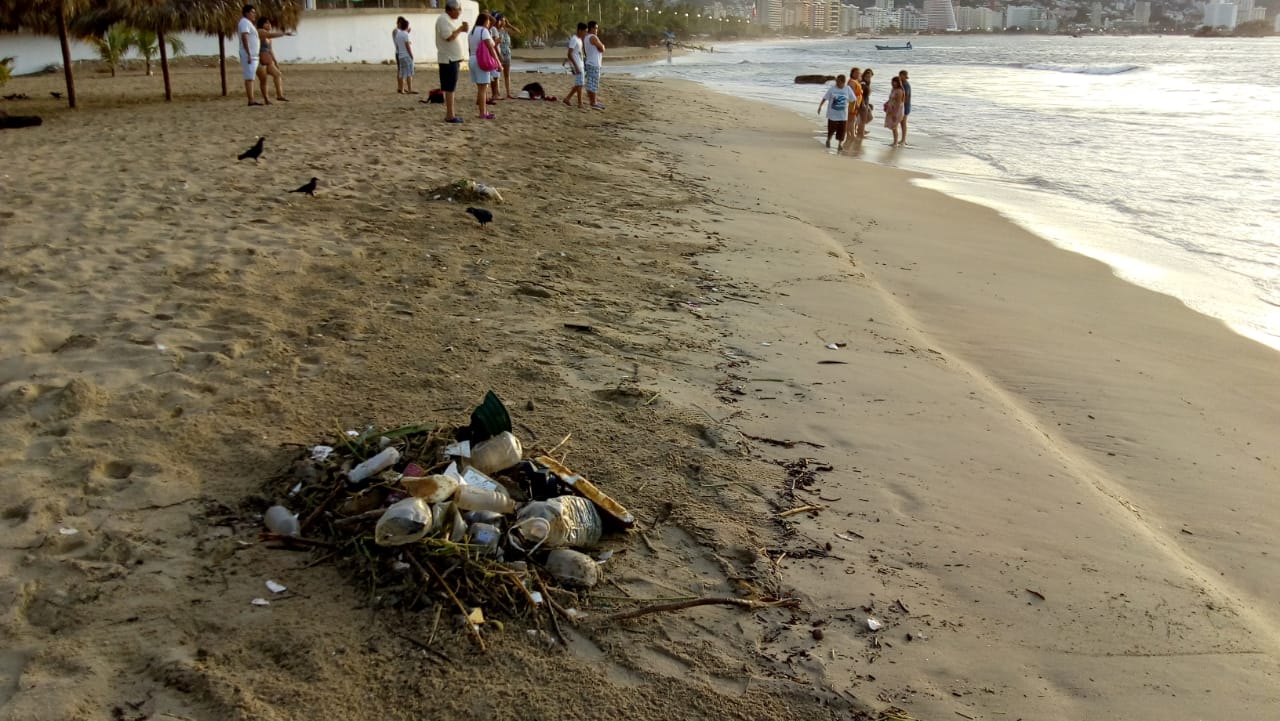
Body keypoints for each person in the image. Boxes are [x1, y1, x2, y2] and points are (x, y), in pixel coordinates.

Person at [435, 0, 469, 123]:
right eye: (458, 9)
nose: (460, 12)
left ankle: (451, 114)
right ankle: (450, 115)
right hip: (448, 59)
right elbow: (448, 37)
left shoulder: (447, 20)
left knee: (450, 87)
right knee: (450, 88)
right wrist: (460, 29)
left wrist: (460, 29)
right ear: (452, 9)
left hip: (451, 59)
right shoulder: (443, 20)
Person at [468, 13, 499, 119]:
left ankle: (484, 111)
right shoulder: (483, 31)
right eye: (488, 21)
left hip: (472, 58)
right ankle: (483, 112)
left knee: (480, 87)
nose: (489, 23)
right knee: (483, 88)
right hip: (480, 60)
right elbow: (490, 48)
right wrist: (498, 62)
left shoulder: (472, 32)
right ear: (485, 21)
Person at [255, 18, 292, 103]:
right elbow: (271, 35)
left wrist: (275, 61)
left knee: (277, 74)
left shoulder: (268, 38)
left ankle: (279, 95)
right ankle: (266, 99)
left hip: (268, 60)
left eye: (269, 23)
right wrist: (284, 33)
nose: (269, 25)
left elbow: (270, 50)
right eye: (266, 23)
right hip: (259, 60)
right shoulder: (260, 32)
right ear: (262, 24)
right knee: (264, 80)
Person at [817, 74, 857, 150]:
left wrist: (852, 108)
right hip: (832, 114)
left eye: (838, 82)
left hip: (843, 115)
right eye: (836, 81)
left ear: (843, 82)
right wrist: (820, 106)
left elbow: (853, 99)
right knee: (831, 130)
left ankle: (840, 144)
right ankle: (828, 140)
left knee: (842, 131)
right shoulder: (832, 89)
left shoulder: (847, 89)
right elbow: (825, 98)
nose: (837, 83)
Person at [237, 5, 261, 106]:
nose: (254, 14)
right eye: (252, 12)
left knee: (252, 76)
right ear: (246, 13)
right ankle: (251, 100)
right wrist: (249, 53)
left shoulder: (248, 23)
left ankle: (252, 98)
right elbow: (244, 37)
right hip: (249, 54)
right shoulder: (244, 22)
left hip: (254, 55)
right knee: (249, 77)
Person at [490, 14, 519, 100]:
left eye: (504, 20)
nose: (504, 22)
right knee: (497, 74)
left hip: (507, 53)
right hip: (498, 53)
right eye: (502, 20)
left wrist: (509, 24)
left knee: (507, 74)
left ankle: (508, 93)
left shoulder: (505, 30)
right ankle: (497, 92)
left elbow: (517, 31)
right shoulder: (494, 30)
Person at [563, 23, 587, 109]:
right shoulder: (574, 39)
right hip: (577, 65)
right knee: (580, 84)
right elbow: (569, 54)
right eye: (585, 31)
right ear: (580, 30)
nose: (585, 33)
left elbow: (579, 53)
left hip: (580, 64)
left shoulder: (580, 40)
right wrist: (575, 66)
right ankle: (580, 103)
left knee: (579, 84)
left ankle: (567, 98)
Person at [584, 20, 605, 110]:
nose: (597, 30)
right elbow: (602, 48)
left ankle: (592, 101)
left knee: (591, 83)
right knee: (593, 83)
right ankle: (594, 102)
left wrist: (601, 47)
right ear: (591, 28)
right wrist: (602, 46)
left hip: (589, 62)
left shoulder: (586, 37)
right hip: (594, 63)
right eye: (596, 28)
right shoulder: (593, 37)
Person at [393, 16, 416, 95]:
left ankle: (401, 89)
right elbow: (407, 46)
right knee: (409, 73)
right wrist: (411, 55)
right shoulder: (404, 34)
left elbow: (399, 44)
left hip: (400, 55)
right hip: (405, 55)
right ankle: (409, 89)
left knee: (401, 72)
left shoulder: (398, 34)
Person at [884, 75, 906, 146]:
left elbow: (899, 103)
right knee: (893, 126)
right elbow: (891, 98)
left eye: (895, 82)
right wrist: (887, 102)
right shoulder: (893, 89)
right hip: (891, 108)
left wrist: (895, 114)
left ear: (898, 83)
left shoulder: (899, 91)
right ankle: (895, 141)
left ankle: (895, 142)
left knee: (894, 126)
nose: (893, 83)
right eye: (893, 82)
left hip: (897, 110)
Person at [856, 68, 874, 139]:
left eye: (870, 77)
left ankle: (860, 130)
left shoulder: (866, 83)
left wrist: (868, 105)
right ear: (864, 76)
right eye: (867, 76)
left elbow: (866, 95)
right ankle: (861, 133)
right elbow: (861, 95)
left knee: (867, 118)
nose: (869, 78)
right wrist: (863, 103)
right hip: (862, 103)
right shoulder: (863, 83)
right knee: (864, 119)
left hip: (865, 102)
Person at [897, 69, 911, 145]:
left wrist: (901, 105)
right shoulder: (902, 84)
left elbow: (906, 96)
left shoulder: (906, 85)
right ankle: (902, 139)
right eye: (899, 75)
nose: (900, 77)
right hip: (903, 106)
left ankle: (903, 140)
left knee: (903, 123)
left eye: (901, 75)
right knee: (901, 122)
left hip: (905, 106)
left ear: (905, 76)